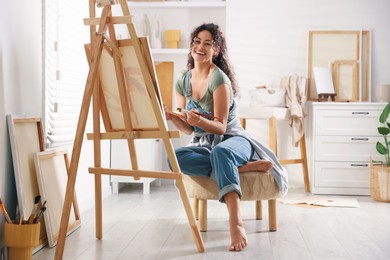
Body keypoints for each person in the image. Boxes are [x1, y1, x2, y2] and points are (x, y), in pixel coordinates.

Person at [164, 23, 288, 252]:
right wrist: (172, 117)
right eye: (197, 41)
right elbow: (189, 130)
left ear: (216, 50)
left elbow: (221, 128)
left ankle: (236, 223)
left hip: (233, 140)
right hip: (205, 145)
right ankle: (243, 168)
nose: (200, 47)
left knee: (222, 152)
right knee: (173, 158)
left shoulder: (219, 79)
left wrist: (198, 120)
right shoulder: (183, 80)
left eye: (207, 43)